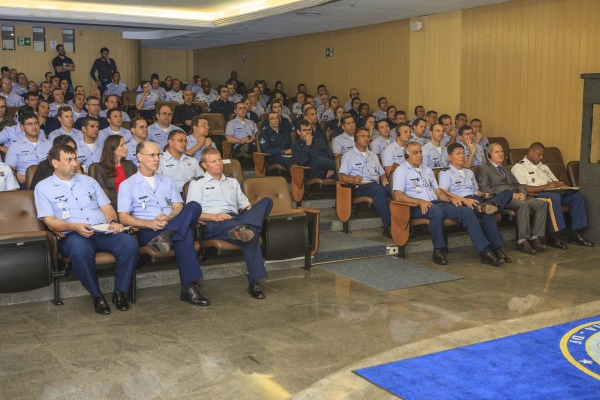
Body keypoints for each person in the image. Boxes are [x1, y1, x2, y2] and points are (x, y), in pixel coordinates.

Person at [35, 144, 137, 315]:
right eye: (69, 160)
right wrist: (73, 226)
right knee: (80, 251)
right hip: (73, 235)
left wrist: (113, 221)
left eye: (75, 158)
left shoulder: (89, 181)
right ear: (55, 163)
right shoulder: (43, 187)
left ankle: (120, 292)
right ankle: (97, 296)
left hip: (102, 230)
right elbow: (50, 221)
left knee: (129, 243)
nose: (75, 163)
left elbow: (106, 207)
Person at [118, 141, 209, 306]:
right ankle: (188, 289)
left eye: (158, 155)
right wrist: (150, 222)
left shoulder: (167, 180)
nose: (157, 159)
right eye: (152, 155)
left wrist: (169, 217)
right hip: (150, 231)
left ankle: (168, 235)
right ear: (139, 157)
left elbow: (178, 206)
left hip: (170, 224)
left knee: (193, 206)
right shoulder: (128, 185)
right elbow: (123, 217)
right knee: (186, 234)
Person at [392, 142, 504, 266]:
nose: (419, 155)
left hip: (436, 203)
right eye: (415, 153)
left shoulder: (427, 170)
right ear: (406, 156)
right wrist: (419, 201)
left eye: (420, 152)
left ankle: (484, 251)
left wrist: (451, 199)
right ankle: (438, 250)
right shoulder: (401, 170)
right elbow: (398, 195)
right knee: (436, 212)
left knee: (465, 211)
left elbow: (438, 192)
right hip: (416, 207)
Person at [187, 147, 273, 299]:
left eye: (219, 160)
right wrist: (214, 217)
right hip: (213, 223)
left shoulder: (232, 182)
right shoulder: (197, 184)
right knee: (251, 235)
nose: (219, 163)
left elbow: (246, 205)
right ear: (204, 165)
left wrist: (253, 214)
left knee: (266, 201)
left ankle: (243, 227)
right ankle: (255, 282)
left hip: (236, 220)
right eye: (213, 161)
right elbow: (192, 212)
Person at [438, 143, 514, 263]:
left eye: (463, 153)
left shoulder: (468, 172)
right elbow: (444, 192)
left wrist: (482, 195)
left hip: (477, 200)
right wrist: (464, 200)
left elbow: (475, 190)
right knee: (488, 214)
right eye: (458, 153)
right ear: (449, 157)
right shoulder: (445, 173)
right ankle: (494, 250)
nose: (462, 156)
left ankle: (492, 206)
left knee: (507, 192)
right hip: (462, 201)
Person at [511, 142, 593, 248]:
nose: (541, 157)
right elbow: (523, 188)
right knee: (554, 198)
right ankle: (553, 236)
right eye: (539, 154)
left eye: (542, 155)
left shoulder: (544, 167)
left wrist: (562, 186)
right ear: (531, 152)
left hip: (554, 192)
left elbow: (555, 182)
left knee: (577, 196)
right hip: (535, 195)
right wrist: (546, 187)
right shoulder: (519, 167)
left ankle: (576, 234)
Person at [475, 143, 549, 254]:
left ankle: (535, 238)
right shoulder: (483, 168)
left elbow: (517, 184)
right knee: (522, 205)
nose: (501, 154)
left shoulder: (505, 168)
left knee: (541, 204)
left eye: (501, 151)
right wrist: (510, 195)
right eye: (497, 152)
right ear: (489, 154)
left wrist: (522, 193)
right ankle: (522, 241)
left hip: (516, 196)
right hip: (501, 198)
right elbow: (485, 189)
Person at [339, 127, 392, 237]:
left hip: (375, 185)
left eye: (368, 136)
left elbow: (382, 173)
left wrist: (384, 179)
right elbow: (342, 176)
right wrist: (353, 179)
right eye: (362, 136)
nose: (366, 138)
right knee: (377, 190)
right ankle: (389, 226)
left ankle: (403, 222)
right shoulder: (348, 156)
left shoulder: (372, 155)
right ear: (356, 139)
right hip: (358, 187)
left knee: (394, 189)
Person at [6, 112, 52, 187]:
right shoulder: (15, 146)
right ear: (22, 127)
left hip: (49, 182)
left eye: (36, 123)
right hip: (26, 183)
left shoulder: (50, 144)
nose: (34, 126)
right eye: (29, 124)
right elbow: (9, 170)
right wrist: (17, 176)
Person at [91, 135, 137, 209]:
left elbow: (138, 185)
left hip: (134, 201)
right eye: (122, 145)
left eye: (125, 144)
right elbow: (102, 194)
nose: (126, 148)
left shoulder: (130, 164)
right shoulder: (100, 169)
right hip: (114, 204)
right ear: (112, 148)